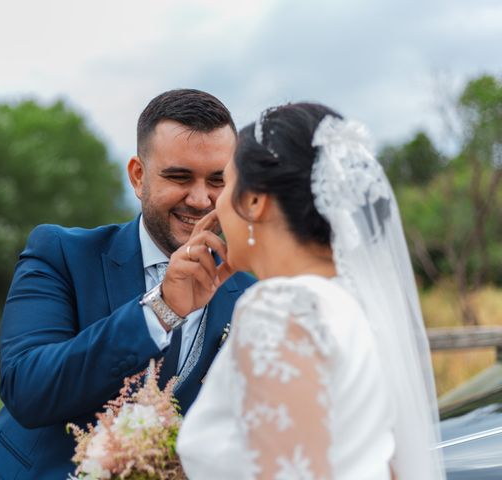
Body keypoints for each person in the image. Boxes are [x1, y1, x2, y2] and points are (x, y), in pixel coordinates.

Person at [0, 89, 256, 479]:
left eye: (217, 180)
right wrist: (161, 309)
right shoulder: (61, 253)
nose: (199, 199)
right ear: (138, 175)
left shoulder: (249, 294)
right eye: (179, 177)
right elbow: (28, 389)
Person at [177, 103, 445, 479]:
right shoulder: (358, 307)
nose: (215, 205)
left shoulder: (282, 309)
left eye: (226, 183)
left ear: (254, 200)